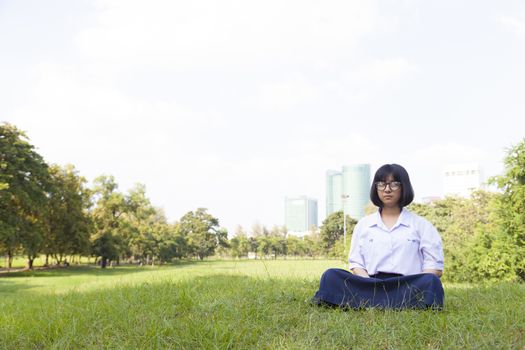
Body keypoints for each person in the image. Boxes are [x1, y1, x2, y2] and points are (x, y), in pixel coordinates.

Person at [313, 164, 445, 309]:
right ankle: (386, 302)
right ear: (376, 188)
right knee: (331, 275)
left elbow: (435, 268)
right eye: (381, 184)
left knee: (431, 281)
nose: (387, 189)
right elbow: (356, 263)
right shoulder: (364, 224)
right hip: (369, 285)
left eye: (394, 184)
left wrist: (414, 284)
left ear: (404, 187)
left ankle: (372, 303)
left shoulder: (422, 225)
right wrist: (369, 284)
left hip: (407, 286)